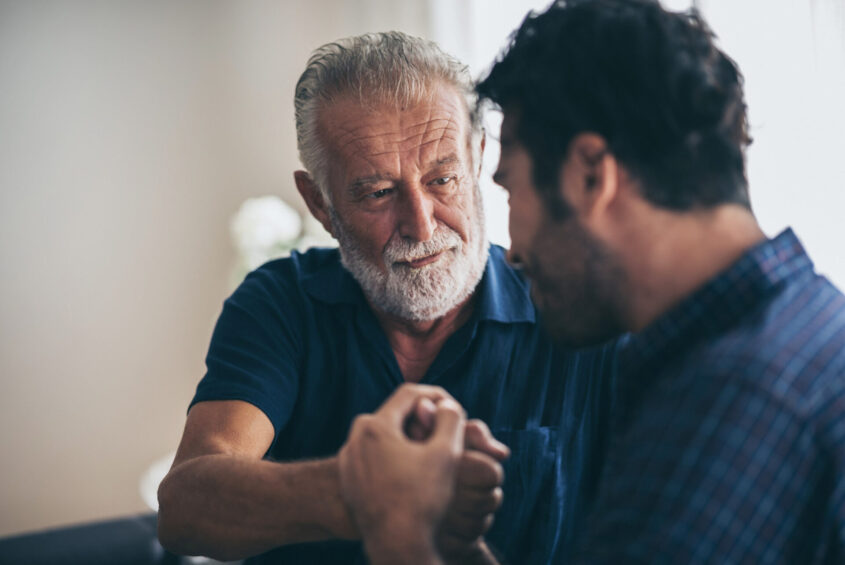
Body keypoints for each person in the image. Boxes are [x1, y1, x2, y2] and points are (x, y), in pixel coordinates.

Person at [337, 1, 845, 564]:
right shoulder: (809, 323)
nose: (516, 252)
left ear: (589, 175)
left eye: (511, 191)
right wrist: (447, 545)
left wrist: (396, 526)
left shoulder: (731, 401)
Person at [156, 31, 617, 564]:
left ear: (479, 159)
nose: (421, 226)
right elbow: (185, 506)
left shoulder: (576, 312)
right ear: (320, 204)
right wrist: (361, 495)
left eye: (443, 179)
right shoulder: (280, 304)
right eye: (378, 193)